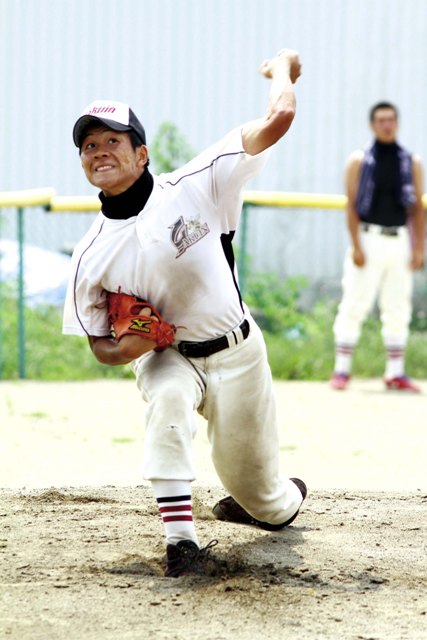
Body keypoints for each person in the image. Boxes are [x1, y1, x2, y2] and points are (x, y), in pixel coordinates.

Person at [63, 48, 307, 578]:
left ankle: (264, 500)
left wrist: (282, 69)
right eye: (88, 145)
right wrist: (124, 348)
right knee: (168, 398)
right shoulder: (90, 254)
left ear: (142, 153)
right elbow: (100, 346)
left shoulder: (199, 183)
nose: (99, 150)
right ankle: (181, 542)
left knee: (270, 502)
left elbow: (279, 118)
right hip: (168, 356)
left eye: (112, 140)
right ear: (82, 162)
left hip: (238, 352)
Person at [330, 102, 425, 392]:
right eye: (382, 120)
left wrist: (419, 247)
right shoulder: (359, 161)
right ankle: (342, 370)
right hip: (368, 237)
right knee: (355, 302)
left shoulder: (410, 161)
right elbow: (351, 205)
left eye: (392, 120)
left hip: (399, 240)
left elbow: (418, 209)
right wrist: (356, 244)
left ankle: (395, 371)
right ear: (373, 124)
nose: (387, 125)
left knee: (397, 306)